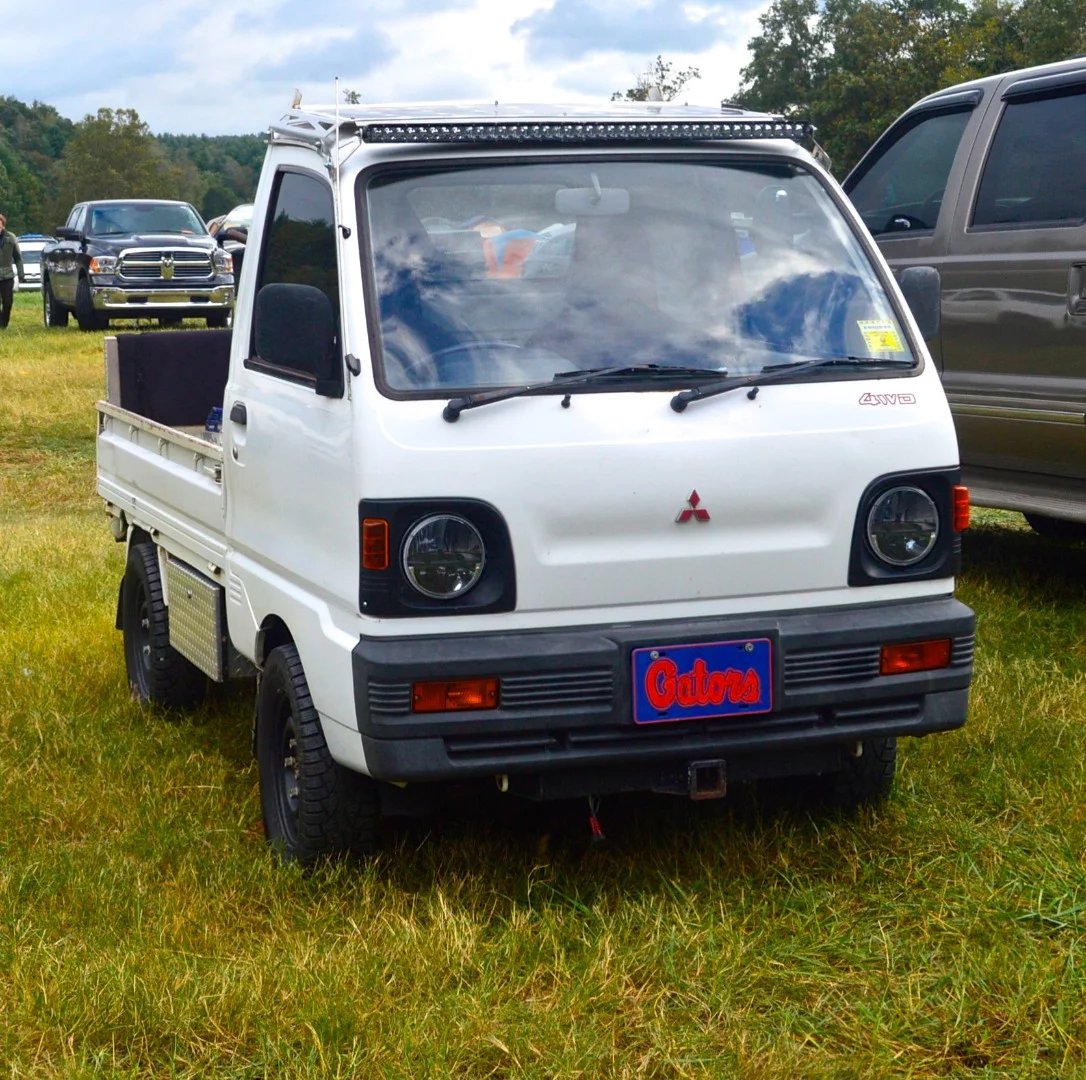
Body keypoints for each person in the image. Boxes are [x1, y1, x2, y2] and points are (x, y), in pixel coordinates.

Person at [0, 213, 25, 328]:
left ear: (3, 225)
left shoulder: (11, 238)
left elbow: (18, 257)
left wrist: (21, 274)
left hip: (7, 276)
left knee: (8, 302)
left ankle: (4, 323)